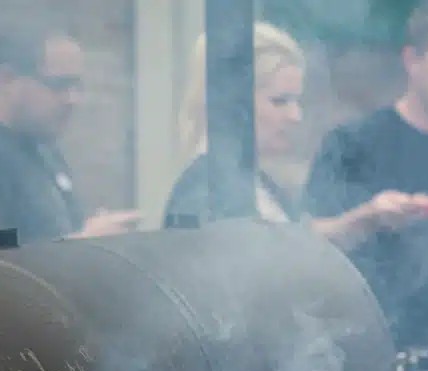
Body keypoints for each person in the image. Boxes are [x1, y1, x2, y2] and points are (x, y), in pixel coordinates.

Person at [302, 1, 428, 366]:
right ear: (412, 60)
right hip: (371, 352)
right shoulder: (354, 143)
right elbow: (306, 241)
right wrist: (367, 217)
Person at [0, 24, 139, 255]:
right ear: (8, 78)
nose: (72, 99)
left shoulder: (41, 149)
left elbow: (46, 237)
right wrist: (83, 243)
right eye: (59, 85)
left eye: (77, 85)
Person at [166, 23, 411, 237]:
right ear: (232, 103)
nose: (296, 116)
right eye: (280, 101)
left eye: (296, 101)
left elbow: (297, 244)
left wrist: (367, 218)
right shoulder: (205, 193)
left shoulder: (254, 181)